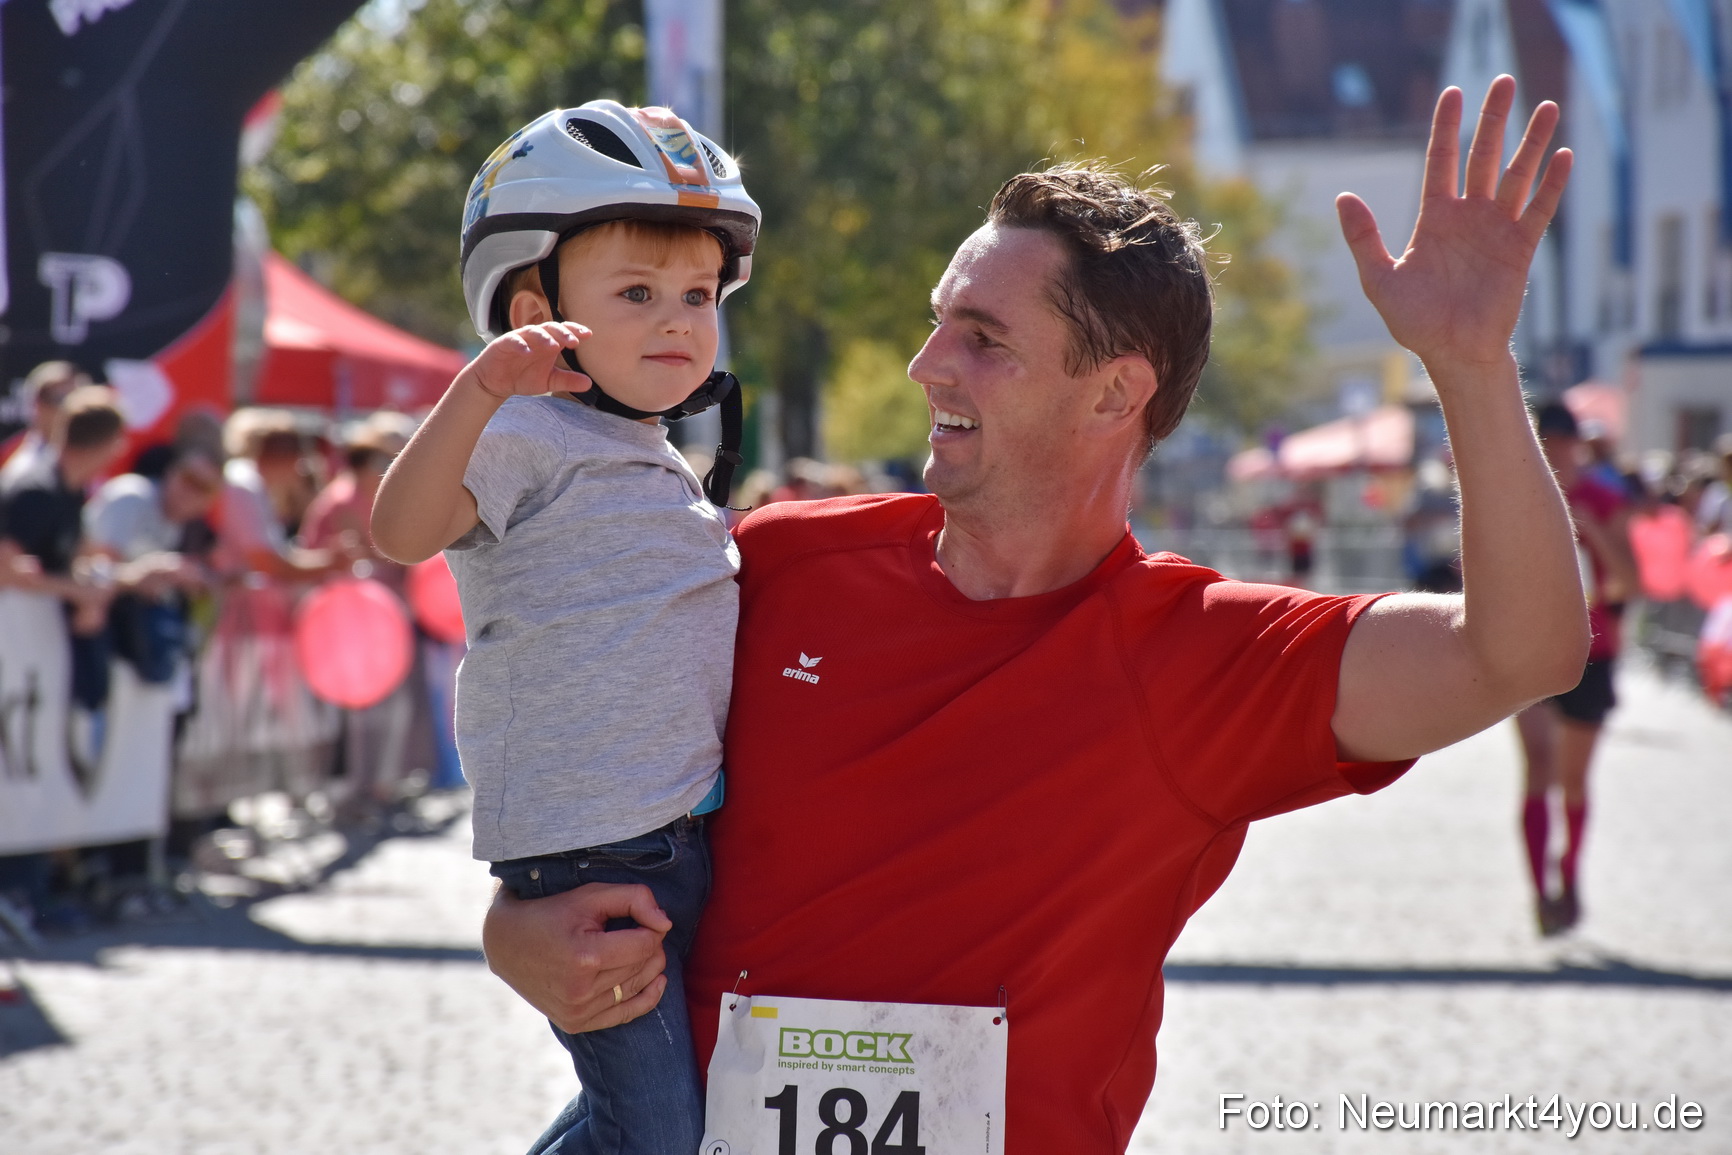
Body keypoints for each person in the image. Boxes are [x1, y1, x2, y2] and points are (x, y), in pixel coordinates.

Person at [482, 78, 1586, 1153]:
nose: (925, 367)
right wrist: (514, 930)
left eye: (984, 340)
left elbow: (1520, 652)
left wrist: (1470, 366)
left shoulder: (1204, 652)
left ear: (1114, 393)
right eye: (937, 325)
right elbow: (577, 764)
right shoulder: (777, 564)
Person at [370, 100, 759, 1154]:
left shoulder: (659, 456)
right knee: (655, 1139)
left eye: (697, 294)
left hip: (674, 838)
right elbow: (401, 533)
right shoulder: (526, 428)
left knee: (640, 1120)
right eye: (635, 294)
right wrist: (478, 389)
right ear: (532, 304)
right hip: (588, 861)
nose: (677, 320)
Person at [1514, 401, 1636, 936]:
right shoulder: (1520, 495)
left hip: (1594, 651)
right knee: (1538, 763)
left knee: (1574, 780)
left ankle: (1569, 871)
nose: (1561, 454)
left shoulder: (1605, 499)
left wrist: (1593, 532)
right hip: (1530, 648)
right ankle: (1540, 891)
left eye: (1568, 444)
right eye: (1552, 443)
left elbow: (1629, 584)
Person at [0, 361, 91, 483]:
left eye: (78, 399)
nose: (71, 408)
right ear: (37, 403)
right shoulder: (9, 455)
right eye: (61, 399)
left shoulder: (99, 454)